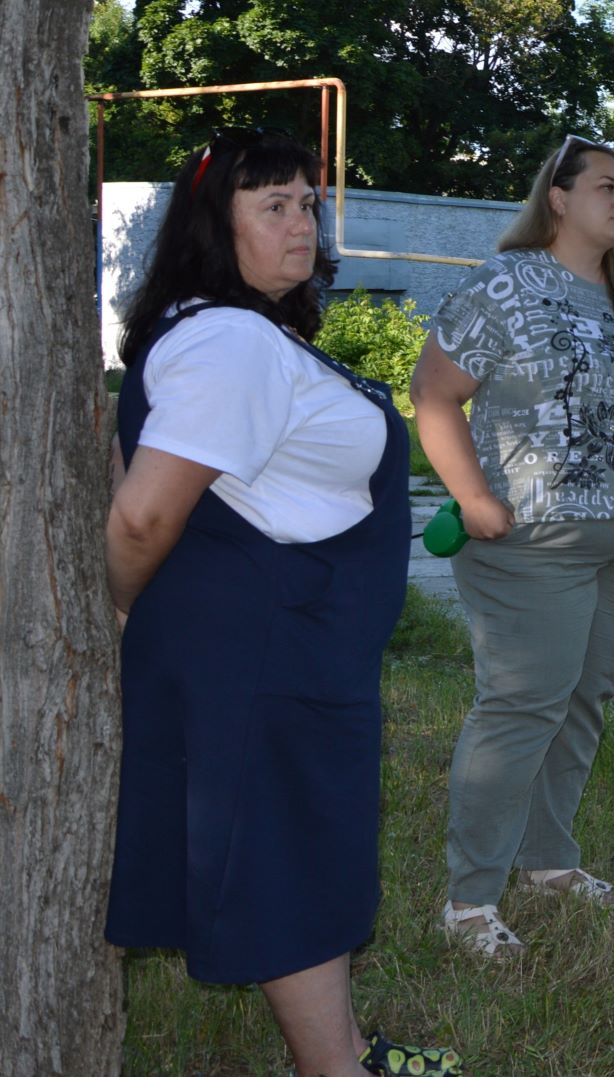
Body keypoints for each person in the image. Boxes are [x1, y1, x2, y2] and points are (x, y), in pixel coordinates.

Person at [105, 129, 457, 1075]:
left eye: (309, 201)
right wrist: (122, 613)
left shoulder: (241, 333)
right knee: (287, 865)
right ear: (215, 230)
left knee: (306, 851)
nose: (303, 221)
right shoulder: (224, 340)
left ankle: (349, 1051)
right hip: (262, 654)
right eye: (274, 205)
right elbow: (141, 516)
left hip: (289, 649)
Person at [412, 135, 614, 955]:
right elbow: (433, 393)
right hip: (532, 539)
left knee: (582, 701)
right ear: (558, 199)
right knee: (521, 705)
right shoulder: (507, 283)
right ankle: (468, 900)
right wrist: (472, 498)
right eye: (607, 185)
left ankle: (548, 862)